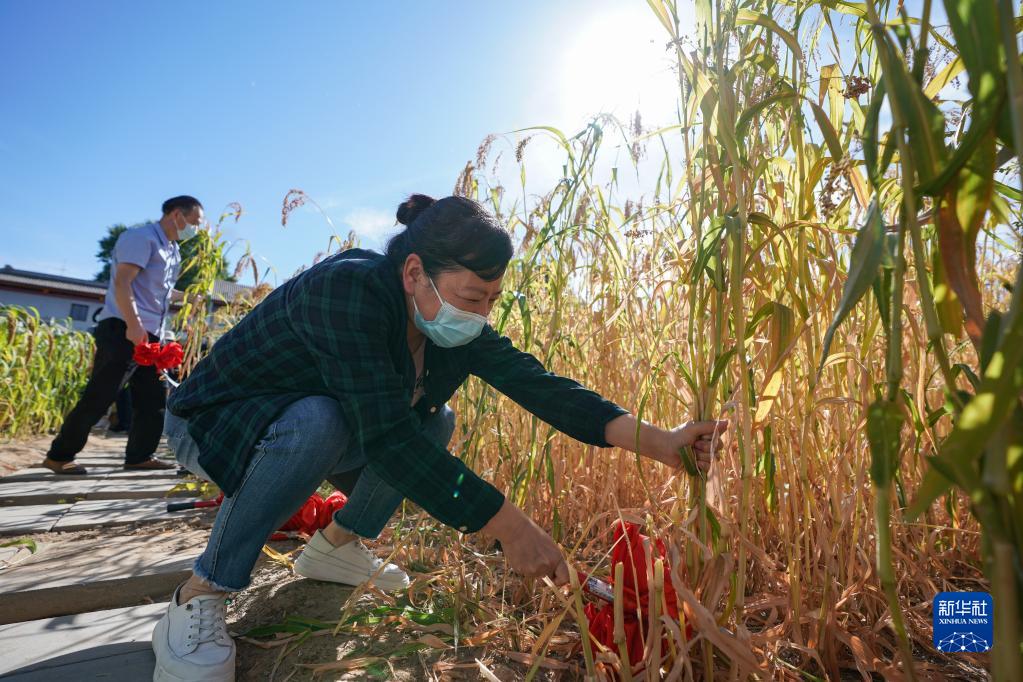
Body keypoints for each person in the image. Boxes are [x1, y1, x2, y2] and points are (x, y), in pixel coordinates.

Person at [153, 194, 728, 681]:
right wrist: (510, 526)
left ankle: (334, 548)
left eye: (491, 301)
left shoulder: (453, 326)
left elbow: (543, 388)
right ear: (412, 273)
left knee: (437, 421)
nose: (480, 316)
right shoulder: (346, 292)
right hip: (214, 428)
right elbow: (387, 441)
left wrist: (660, 442)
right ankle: (201, 593)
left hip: (311, 434)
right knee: (324, 420)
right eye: (473, 298)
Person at [42, 196, 205, 475]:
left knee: (153, 399)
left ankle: (140, 456)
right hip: (123, 328)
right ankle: (59, 455)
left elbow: (160, 291)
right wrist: (134, 325)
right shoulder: (141, 238)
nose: (197, 229)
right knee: (102, 394)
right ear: (177, 214)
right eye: (196, 222)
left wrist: (189, 297)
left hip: (153, 334)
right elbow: (123, 282)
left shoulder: (172, 250)